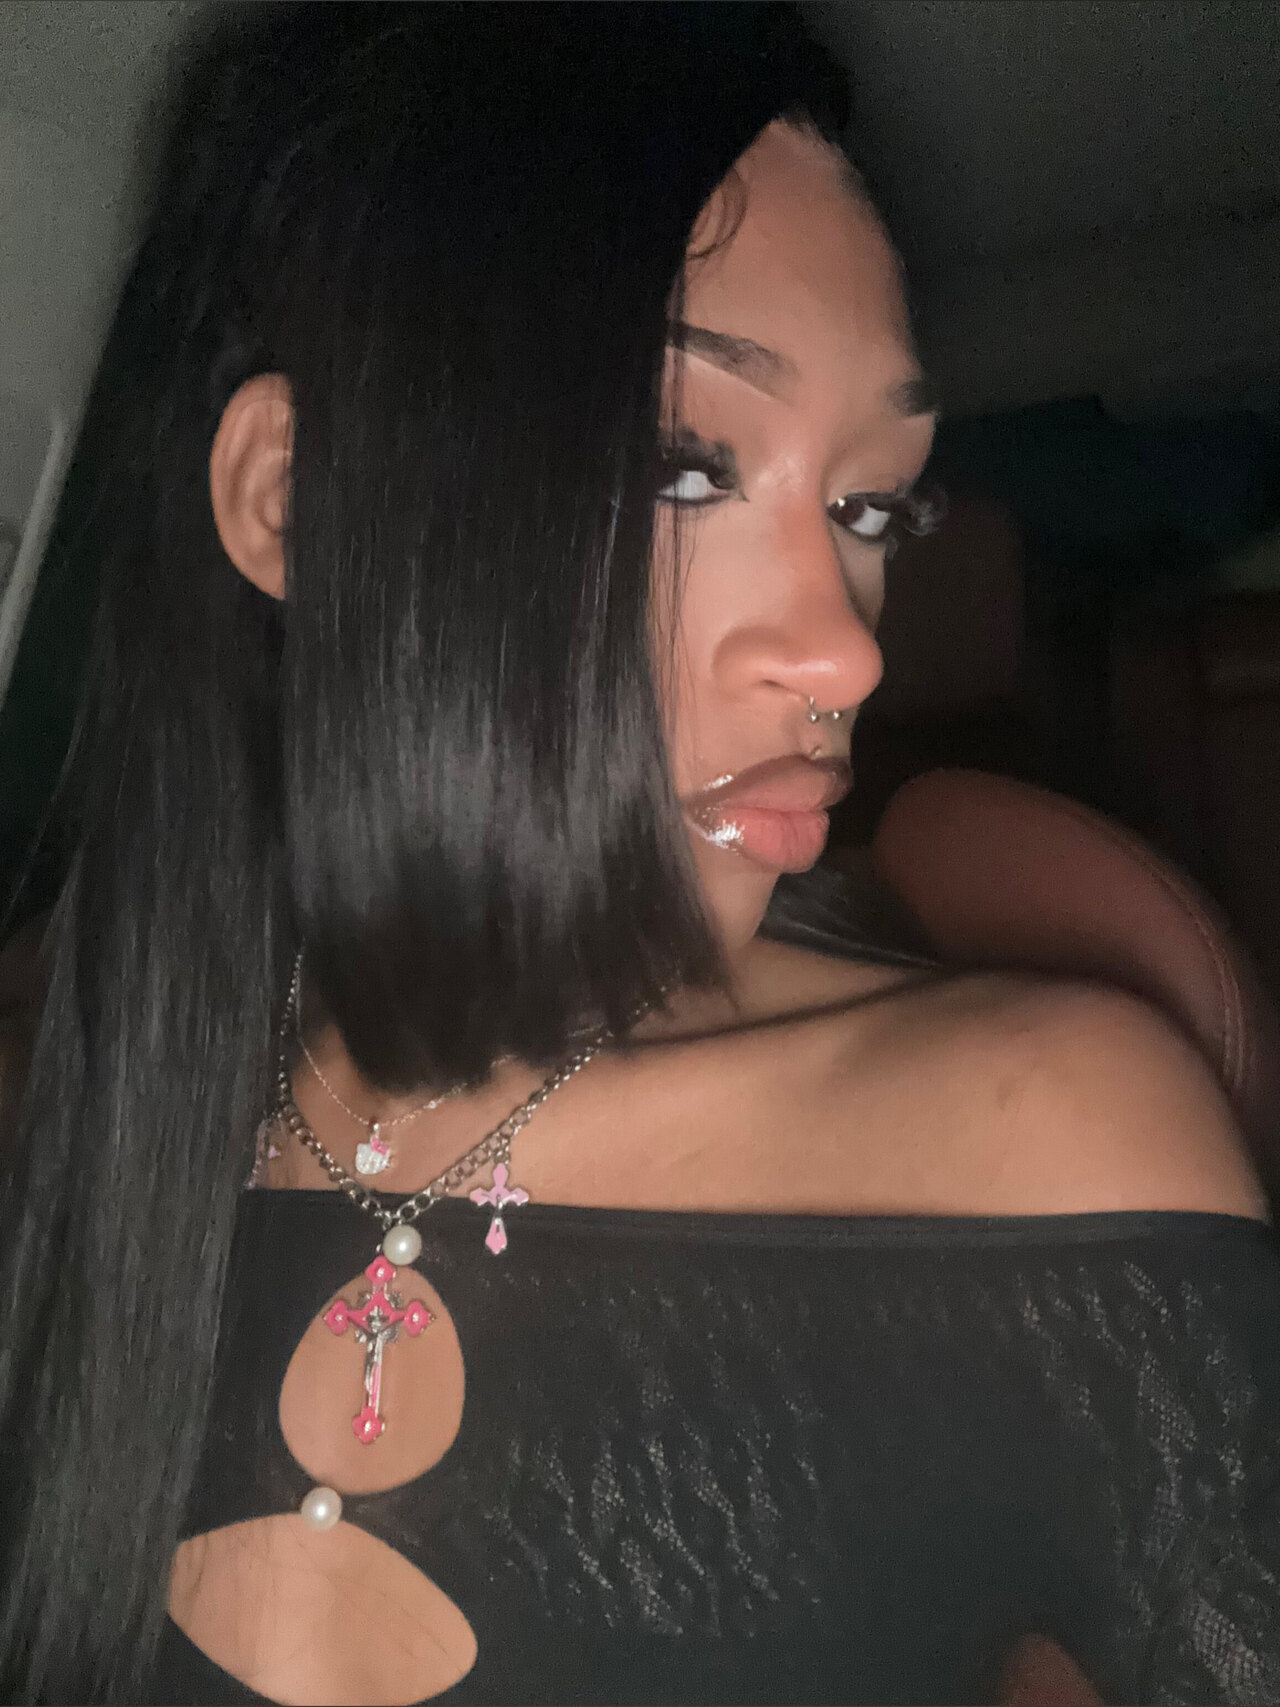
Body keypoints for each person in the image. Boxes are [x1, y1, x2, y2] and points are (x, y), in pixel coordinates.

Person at [2, 4, 1279, 1703]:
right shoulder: (90, 1095)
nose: (847, 654)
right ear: (296, 502)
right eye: (688, 468)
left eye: (870, 509)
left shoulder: (1043, 1147)